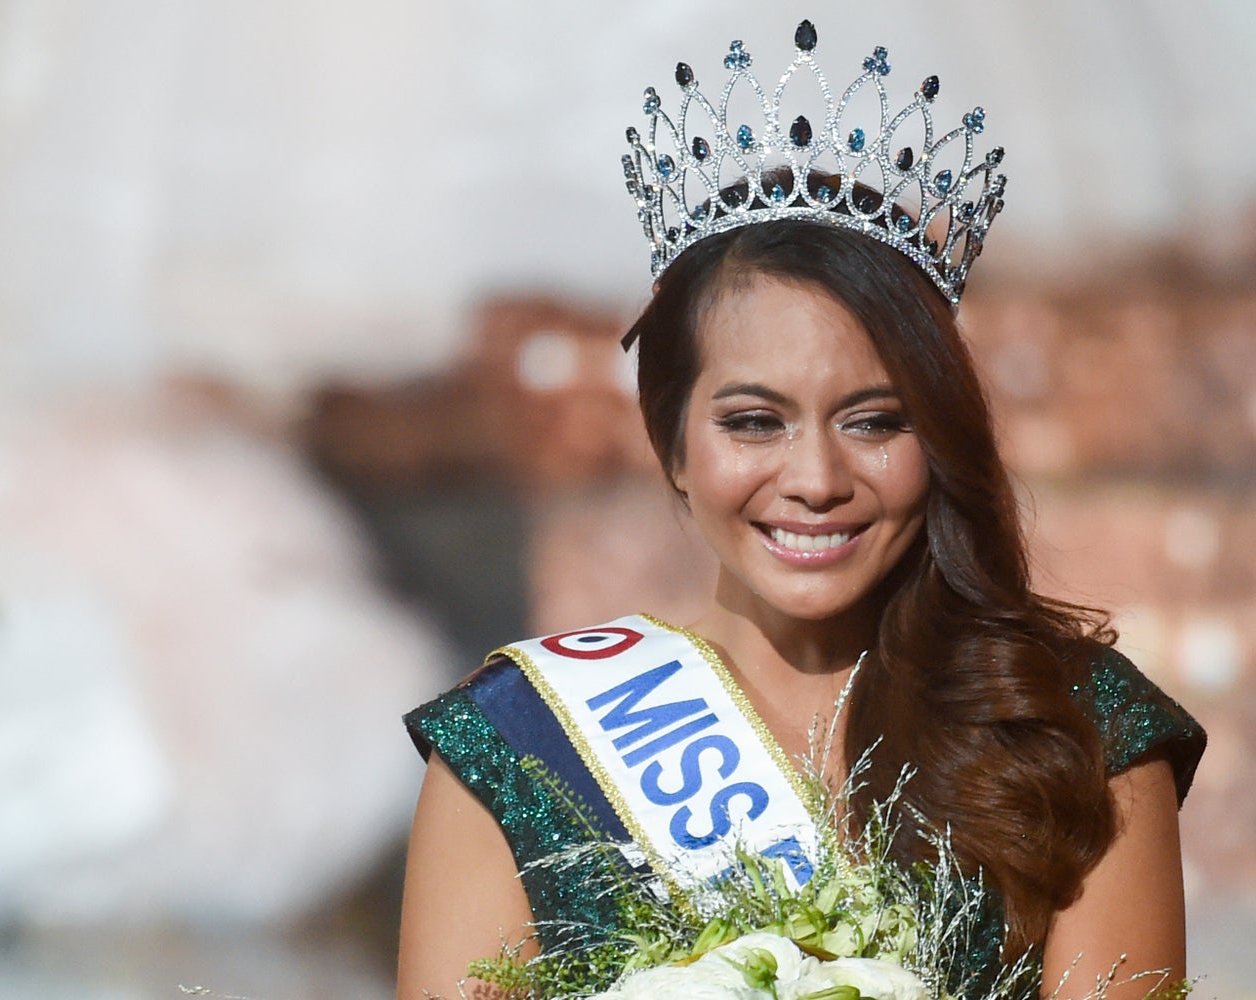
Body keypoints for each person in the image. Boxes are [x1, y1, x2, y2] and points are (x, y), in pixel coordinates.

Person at [398, 22, 1204, 1000]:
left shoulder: (1074, 726)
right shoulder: (522, 744)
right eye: (753, 422)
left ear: (939, 438)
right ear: (672, 444)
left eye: (875, 421)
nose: (816, 478)